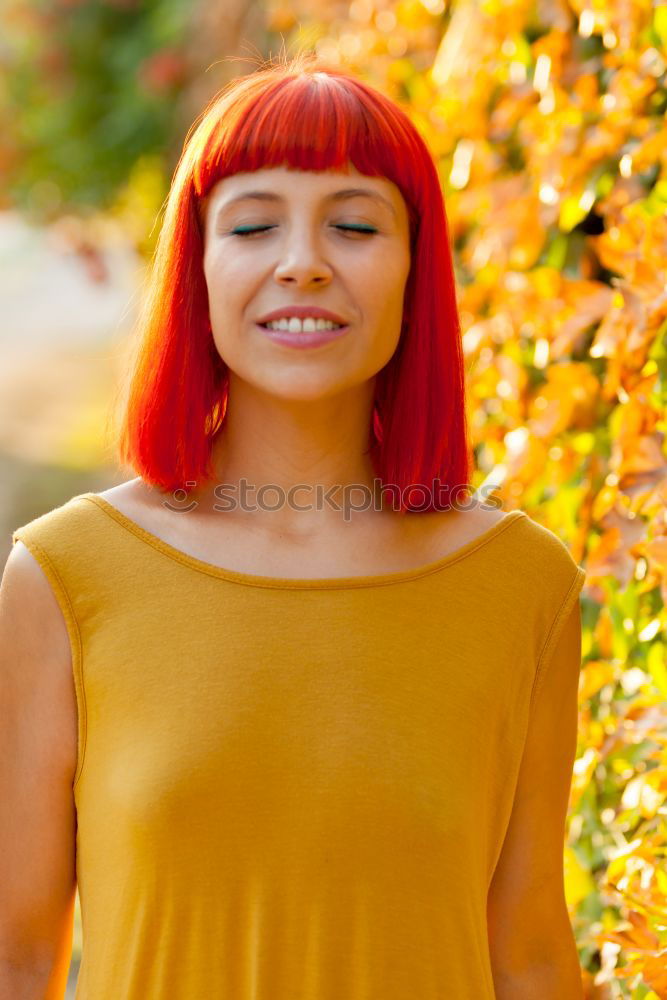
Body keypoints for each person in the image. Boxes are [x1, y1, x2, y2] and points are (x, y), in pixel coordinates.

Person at [1, 53, 586, 999]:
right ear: (196, 265)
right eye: (253, 223)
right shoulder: (64, 576)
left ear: (414, 265)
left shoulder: (524, 586)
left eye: (354, 224)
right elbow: (17, 959)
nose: (302, 261)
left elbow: (526, 953)